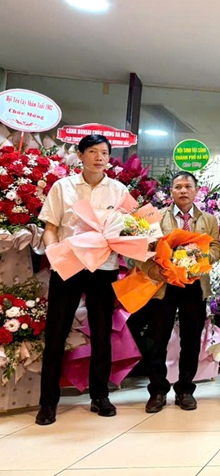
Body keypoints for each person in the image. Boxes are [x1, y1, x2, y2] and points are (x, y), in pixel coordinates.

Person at [36, 134, 130, 426]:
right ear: (80, 154)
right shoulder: (62, 187)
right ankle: (48, 403)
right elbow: (50, 227)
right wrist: (53, 253)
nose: (99, 158)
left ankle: (100, 396)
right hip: (69, 264)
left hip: (104, 267)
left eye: (104, 153)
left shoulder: (118, 190)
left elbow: (130, 228)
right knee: (57, 332)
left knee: (102, 333)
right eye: (92, 152)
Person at [138, 171, 220, 413]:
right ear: (171, 191)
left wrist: (196, 258)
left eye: (188, 186)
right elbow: (141, 250)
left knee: (191, 339)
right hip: (163, 284)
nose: (183, 190)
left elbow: (216, 248)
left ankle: (185, 389)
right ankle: (157, 391)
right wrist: (155, 269)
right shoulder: (155, 218)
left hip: (194, 284)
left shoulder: (208, 220)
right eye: (178, 186)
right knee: (157, 339)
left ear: (196, 191)